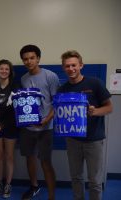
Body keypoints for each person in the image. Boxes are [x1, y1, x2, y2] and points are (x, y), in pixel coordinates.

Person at [59, 50, 112, 200]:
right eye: (67, 66)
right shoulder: (62, 90)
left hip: (94, 140)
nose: (71, 69)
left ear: (81, 65)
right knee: (76, 178)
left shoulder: (95, 83)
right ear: (63, 68)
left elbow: (109, 107)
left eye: (74, 65)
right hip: (73, 140)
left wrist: (95, 112)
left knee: (95, 181)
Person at [19, 44, 59, 200]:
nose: (29, 61)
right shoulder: (23, 79)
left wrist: (46, 120)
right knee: (30, 158)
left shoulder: (50, 76)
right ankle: (34, 187)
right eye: (25, 59)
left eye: (32, 58)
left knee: (46, 162)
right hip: (28, 128)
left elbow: (56, 102)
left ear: (38, 58)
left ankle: (51, 195)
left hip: (46, 128)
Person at [0, 59, 19, 198]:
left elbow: (15, 110)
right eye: (1, 68)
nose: (4, 71)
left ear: (10, 71)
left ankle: (8, 183)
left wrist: (4, 124)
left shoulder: (15, 87)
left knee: (9, 156)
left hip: (10, 126)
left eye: (7, 69)